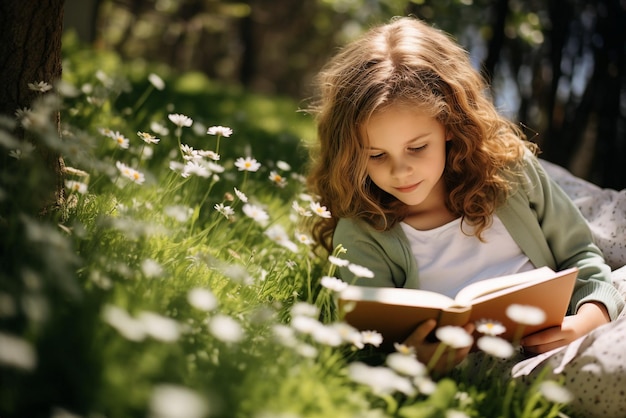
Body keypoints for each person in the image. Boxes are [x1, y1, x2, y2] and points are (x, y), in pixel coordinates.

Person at [305, 16, 626, 417]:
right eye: (376, 155)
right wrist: (416, 361)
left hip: (570, 319)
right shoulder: (364, 230)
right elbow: (361, 342)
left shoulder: (508, 171)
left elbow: (580, 255)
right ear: (352, 153)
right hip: (512, 360)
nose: (400, 172)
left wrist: (588, 318)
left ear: (450, 126)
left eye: (417, 148)